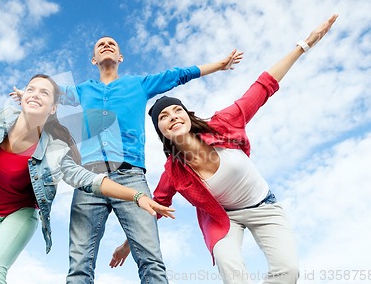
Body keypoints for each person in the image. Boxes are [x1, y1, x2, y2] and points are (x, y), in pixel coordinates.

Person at [110, 14, 338, 284]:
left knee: (288, 271)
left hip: (264, 206)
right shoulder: (173, 172)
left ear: (187, 116)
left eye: (176, 111)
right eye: (163, 117)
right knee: (233, 272)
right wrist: (127, 244)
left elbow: (263, 86)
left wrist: (305, 45)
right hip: (222, 219)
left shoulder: (223, 124)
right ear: (161, 131)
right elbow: (156, 207)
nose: (172, 116)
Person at [12, 39, 243, 283]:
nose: (106, 44)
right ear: (93, 60)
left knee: (150, 260)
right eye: (100, 44)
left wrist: (219, 65)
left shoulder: (139, 84)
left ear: (120, 57)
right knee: (79, 265)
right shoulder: (83, 90)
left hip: (131, 177)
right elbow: (49, 93)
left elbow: (178, 75)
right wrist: (29, 96)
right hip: (89, 180)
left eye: (112, 43)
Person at [0, 74, 175, 284]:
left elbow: (88, 179)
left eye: (45, 93)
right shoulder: (2, 118)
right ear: (23, 96)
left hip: (19, 214)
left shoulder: (56, 149)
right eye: (31, 89)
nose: (36, 94)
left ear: (53, 107)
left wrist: (137, 195)